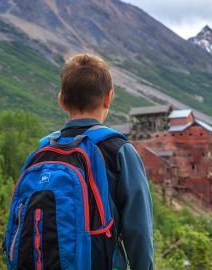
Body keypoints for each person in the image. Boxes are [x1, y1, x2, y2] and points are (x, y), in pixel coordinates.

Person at [58, 53, 153, 269]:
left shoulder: (44, 150)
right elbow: (139, 232)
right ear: (108, 97)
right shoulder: (119, 151)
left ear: (62, 100)